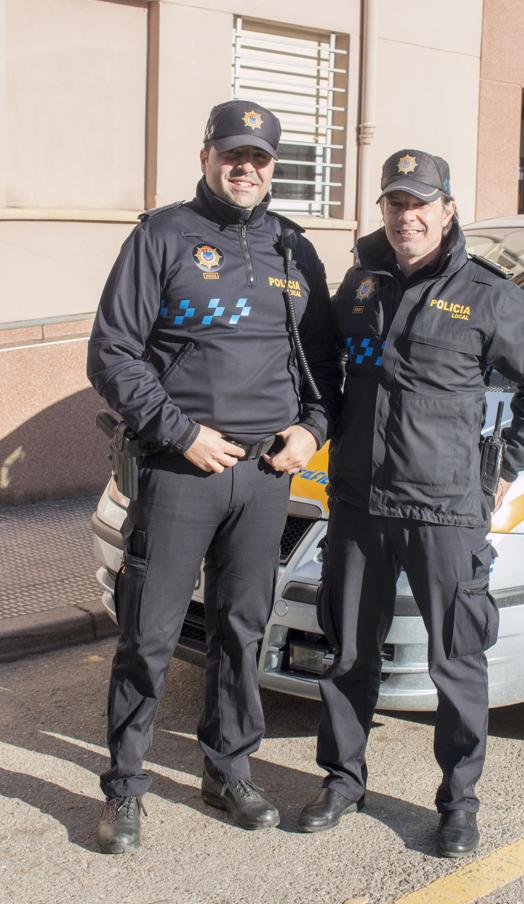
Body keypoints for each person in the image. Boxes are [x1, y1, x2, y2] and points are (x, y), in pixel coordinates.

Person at [297, 149, 524, 856]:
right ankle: (342, 780)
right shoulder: (360, 285)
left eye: (419, 202)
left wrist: (506, 464)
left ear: (447, 211)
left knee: (457, 663)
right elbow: (325, 368)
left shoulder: (487, 293)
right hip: (358, 502)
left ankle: (459, 803)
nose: (405, 215)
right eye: (394, 202)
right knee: (350, 651)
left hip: (445, 510)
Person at [87, 100, 340, 853]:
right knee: (150, 635)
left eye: (260, 158)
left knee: (241, 630)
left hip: (265, 475)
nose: (246, 168)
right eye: (233, 154)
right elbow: (112, 353)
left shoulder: (296, 251)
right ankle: (126, 788)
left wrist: (312, 429)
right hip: (180, 471)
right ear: (206, 157)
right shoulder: (162, 235)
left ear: (273, 167)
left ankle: (228, 770)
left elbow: (323, 367)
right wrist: (181, 433)